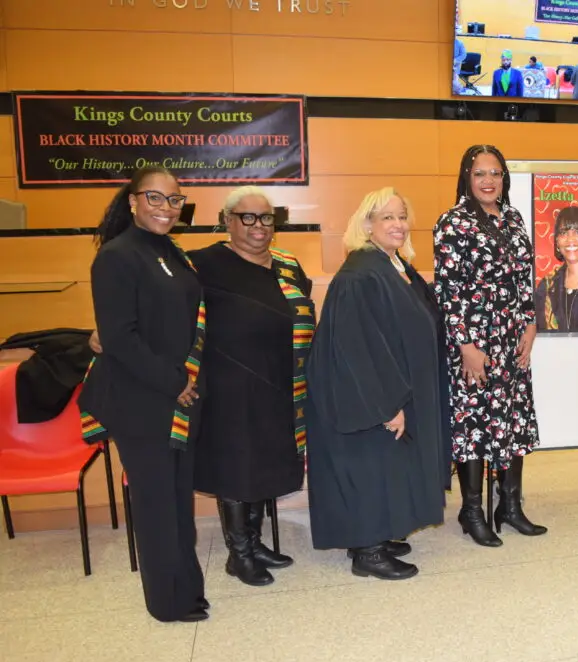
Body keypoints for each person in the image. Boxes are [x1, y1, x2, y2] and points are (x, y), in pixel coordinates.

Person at [79, 166, 207, 623]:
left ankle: (187, 588)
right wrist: (176, 382)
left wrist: (184, 384)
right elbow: (119, 337)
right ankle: (166, 603)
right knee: (156, 507)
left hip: (178, 399)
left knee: (177, 503)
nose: (166, 208)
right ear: (132, 200)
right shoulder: (117, 256)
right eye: (156, 198)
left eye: (174, 200)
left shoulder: (171, 250)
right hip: (143, 402)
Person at [306, 188, 445, 580]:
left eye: (402, 216)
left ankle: (379, 534)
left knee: (388, 466)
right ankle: (367, 549)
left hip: (394, 387)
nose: (399, 224)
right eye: (387, 217)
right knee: (369, 464)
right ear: (367, 224)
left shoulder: (391, 264)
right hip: (369, 393)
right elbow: (356, 347)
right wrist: (386, 404)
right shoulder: (361, 273)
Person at [188, 187, 315, 587]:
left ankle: (255, 544)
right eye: (248, 217)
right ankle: (238, 554)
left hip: (280, 382)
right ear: (228, 220)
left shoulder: (288, 265)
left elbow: (302, 310)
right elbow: (164, 309)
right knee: (236, 466)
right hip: (229, 386)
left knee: (264, 463)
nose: (258, 226)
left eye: (266, 218)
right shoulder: (201, 264)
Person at [434, 144, 545, 548]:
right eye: (479, 172)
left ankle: (510, 507)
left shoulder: (514, 218)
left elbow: (524, 277)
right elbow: (447, 289)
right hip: (475, 343)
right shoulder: (453, 222)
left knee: (511, 421)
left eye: (495, 173)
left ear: (504, 178)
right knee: (475, 424)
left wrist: (531, 322)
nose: (488, 180)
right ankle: (472, 511)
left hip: (512, 339)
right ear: (466, 176)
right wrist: (465, 344)